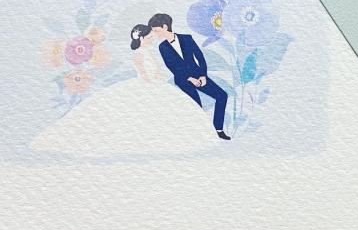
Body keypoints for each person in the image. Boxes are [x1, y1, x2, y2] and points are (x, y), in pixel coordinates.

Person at [31, 24, 218, 157]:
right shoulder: (138, 55)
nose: (152, 39)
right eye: (149, 37)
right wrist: (154, 81)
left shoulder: (150, 52)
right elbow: (144, 74)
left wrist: (158, 80)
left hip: (156, 85)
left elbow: (157, 71)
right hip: (147, 86)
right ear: (141, 38)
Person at [148, 13, 231, 140]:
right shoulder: (162, 47)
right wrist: (189, 79)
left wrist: (203, 75)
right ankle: (201, 134)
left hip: (198, 74)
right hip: (182, 79)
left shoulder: (187, 38)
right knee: (196, 105)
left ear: (165, 27)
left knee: (222, 95)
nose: (155, 34)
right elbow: (171, 67)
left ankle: (218, 129)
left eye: (156, 30)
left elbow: (200, 57)